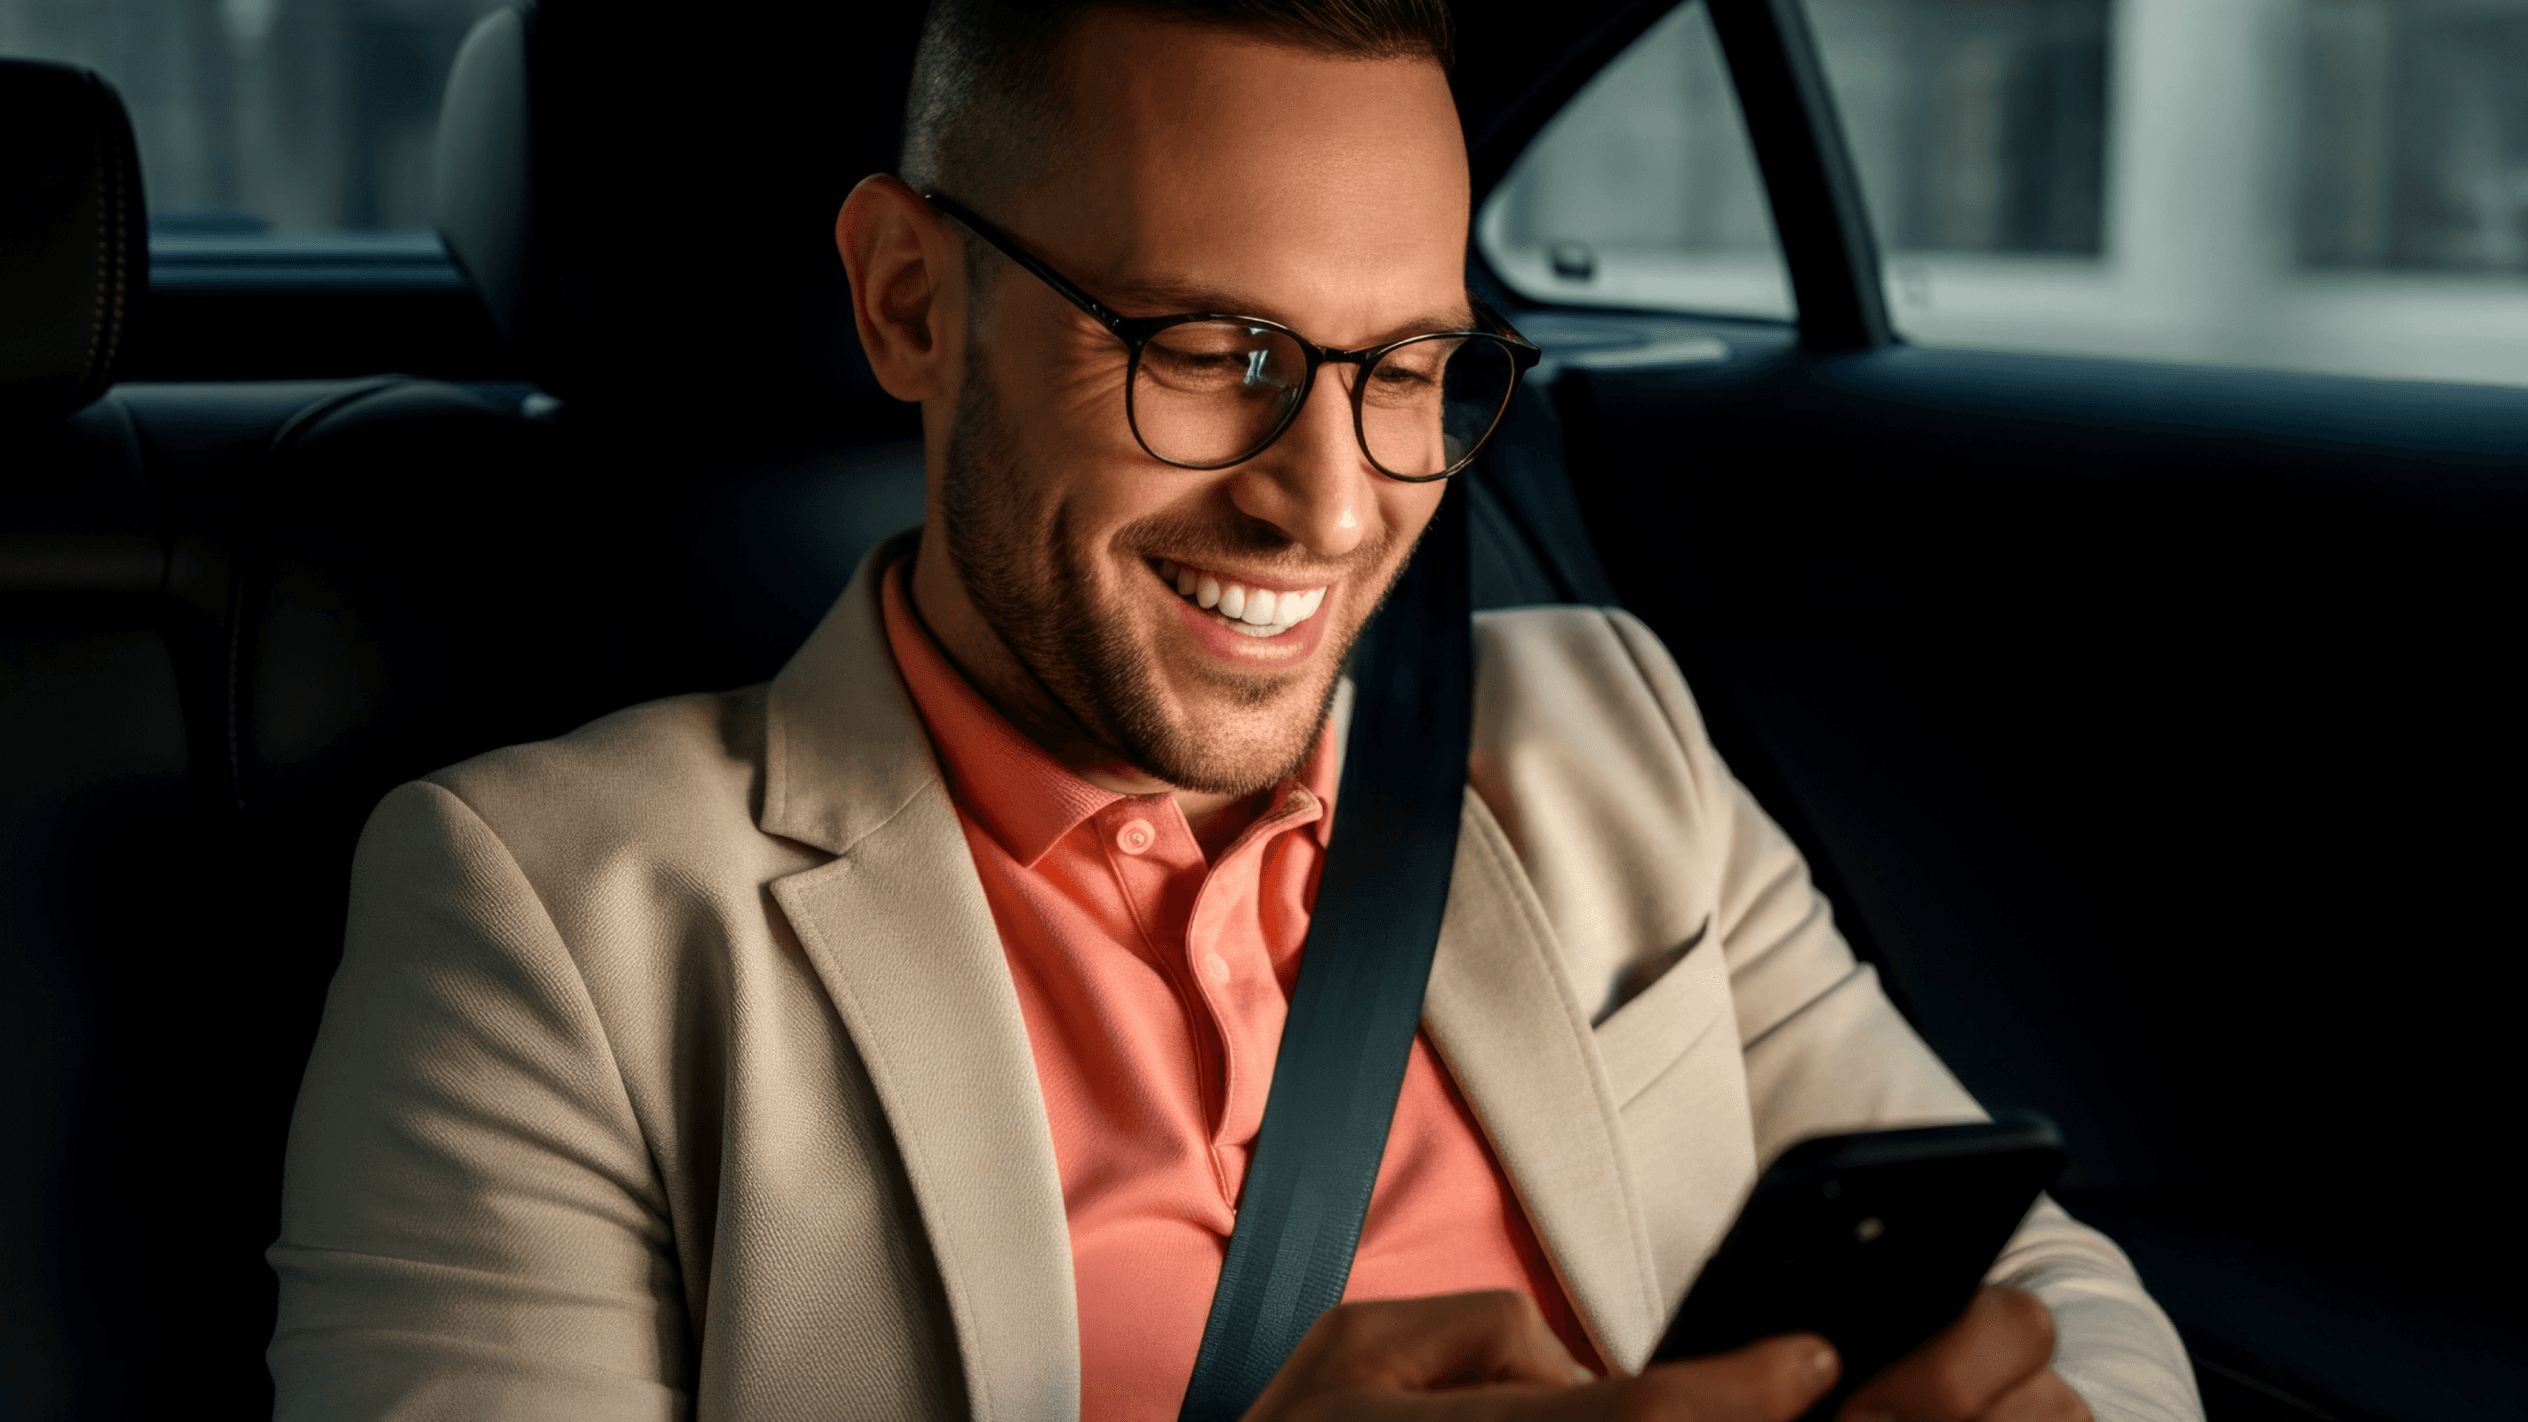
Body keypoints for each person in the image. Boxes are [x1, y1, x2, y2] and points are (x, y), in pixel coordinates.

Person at [267, 2, 2201, 1419]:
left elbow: (2061, 1291)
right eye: (1216, 352)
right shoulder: (550, 912)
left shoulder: (1608, 740)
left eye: (1415, 369)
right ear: (912, 302)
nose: (1338, 503)